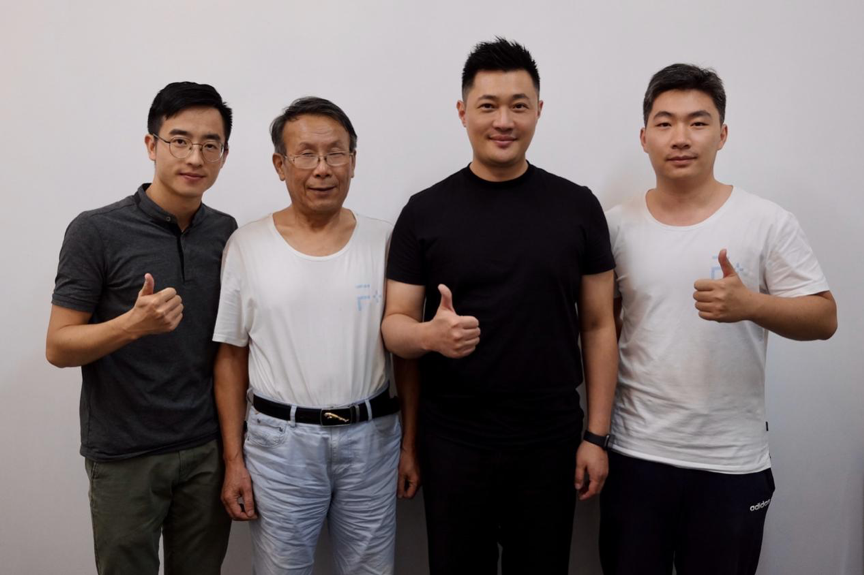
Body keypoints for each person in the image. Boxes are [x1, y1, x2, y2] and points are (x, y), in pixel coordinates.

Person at [382, 38, 618, 575]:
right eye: (488, 106)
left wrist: (596, 436)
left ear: (539, 110)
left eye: (518, 105)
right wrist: (429, 336)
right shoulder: (424, 212)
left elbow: (599, 324)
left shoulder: (578, 206)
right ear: (463, 111)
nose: (503, 121)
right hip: (453, 436)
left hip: (550, 435)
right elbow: (394, 326)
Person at [600, 63, 838, 575]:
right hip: (636, 454)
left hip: (731, 462)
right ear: (644, 137)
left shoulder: (766, 221)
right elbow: (602, 329)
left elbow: (824, 317)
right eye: (665, 122)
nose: (681, 137)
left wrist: (752, 305)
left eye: (698, 122)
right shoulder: (615, 226)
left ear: (722, 134)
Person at [213, 96, 419, 575]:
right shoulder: (246, 245)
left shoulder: (385, 241)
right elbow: (230, 357)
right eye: (306, 154)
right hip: (279, 447)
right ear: (280, 165)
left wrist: (411, 445)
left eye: (335, 153)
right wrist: (233, 460)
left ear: (353, 161)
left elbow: (405, 355)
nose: (322, 168)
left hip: (372, 442)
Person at [46, 81, 236, 575]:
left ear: (224, 155)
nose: (194, 157)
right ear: (152, 145)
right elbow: (59, 347)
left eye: (210, 144)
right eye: (180, 140)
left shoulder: (226, 232)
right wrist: (131, 325)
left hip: (205, 449)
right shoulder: (96, 230)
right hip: (124, 454)